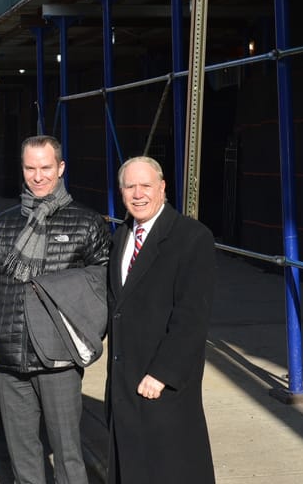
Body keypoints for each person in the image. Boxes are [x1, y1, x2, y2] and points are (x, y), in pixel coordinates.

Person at [0, 135, 110, 484]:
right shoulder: (3, 224)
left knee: (68, 456)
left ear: (61, 168)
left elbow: (102, 289)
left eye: (46, 168)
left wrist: (83, 337)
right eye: (30, 168)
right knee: (23, 459)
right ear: (23, 170)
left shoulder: (86, 223)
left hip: (60, 362)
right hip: (11, 359)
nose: (38, 176)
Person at [106, 156, 216, 483]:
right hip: (125, 376)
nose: (138, 194)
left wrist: (162, 373)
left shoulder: (191, 237)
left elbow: (193, 315)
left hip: (162, 381)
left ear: (163, 188)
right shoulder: (120, 237)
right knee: (134, 465)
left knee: (170, 466)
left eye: (146, 186)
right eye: (130, 187)